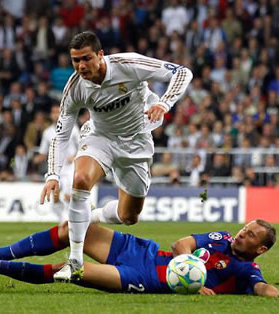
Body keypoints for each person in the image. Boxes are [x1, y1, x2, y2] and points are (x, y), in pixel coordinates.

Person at [39, 31, 193, 281]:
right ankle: (75, 261)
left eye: (86, 58)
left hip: (136, 143)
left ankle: (93, 215)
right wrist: (53, 174)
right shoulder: (75, 87)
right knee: (80, 181)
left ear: (101, 55)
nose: (81, 66)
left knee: (129, 216)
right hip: (100, 138)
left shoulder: (129, 64)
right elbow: (61, 133)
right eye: (75, 60)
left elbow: (182, 72)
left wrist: (164, 103)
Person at [0, 220, 279, 297]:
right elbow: (181, 242)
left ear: (260, 249)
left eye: (249, 236)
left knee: (70, 271)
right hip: (142, 251)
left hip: (144, 279)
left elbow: (261, 288)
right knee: (75, 228)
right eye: (245, 228)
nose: (242, 234)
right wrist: (185, 264)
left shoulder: (246, 270)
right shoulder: (221, 238)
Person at [35, 104, 80, 221]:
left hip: (70, 169)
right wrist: (38, 158)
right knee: (55, 197)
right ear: (50, 115)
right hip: (56, 170)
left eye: (58, 112)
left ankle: (72, 220)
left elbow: (82, 146)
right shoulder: (47, 132)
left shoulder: (73, 129)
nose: (56, 115)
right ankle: (62, 220)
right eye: (53, 112)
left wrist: (74, 156)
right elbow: (44, 152)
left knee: (68, 196)